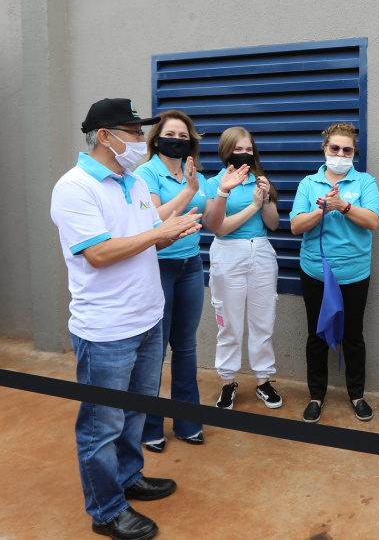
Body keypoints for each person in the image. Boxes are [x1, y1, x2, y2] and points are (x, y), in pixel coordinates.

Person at [50, 98, 202, 539]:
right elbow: (97, 253)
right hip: (106, 330)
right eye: (134, 132)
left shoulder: (132, 182)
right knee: (102, 424)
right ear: (105, 136)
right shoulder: (74, 187)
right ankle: (106, 509)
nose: (141, 140)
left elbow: (142, 236)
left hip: (147, 318)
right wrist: (160, 232)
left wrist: (169, 224)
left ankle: (129, 476)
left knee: (135, 413)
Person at [134, 110, 249, 452]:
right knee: (155, 350)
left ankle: (187, 422)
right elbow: (152, 222)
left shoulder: (192, 171)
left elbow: (213, 224)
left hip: (190, 265)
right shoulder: (145, 174)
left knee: (185, 346)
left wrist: (224, 192)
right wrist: (189, 190)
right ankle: (150, 426)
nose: (179, 141)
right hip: (158, 267)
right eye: (172, 134)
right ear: (156, 139)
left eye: (185, 137)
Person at [290, 123, 379, 423]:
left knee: (353, 336)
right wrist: (322, 210)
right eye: (335, 149)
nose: (341, 154)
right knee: (316, 336)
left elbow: (372, 221)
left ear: (354, 152)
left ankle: (357, 396)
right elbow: (295, 226)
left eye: (347, 150)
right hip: (316, 273)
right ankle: (316, 396)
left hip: (354, 274)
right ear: (325, 149)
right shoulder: (308, 183)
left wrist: (342, 205)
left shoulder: (365, 182)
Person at [206, 127, 283, 410]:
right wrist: (252, 206)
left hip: (261, 251)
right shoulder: (214, 183)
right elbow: (219, 229)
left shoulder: (261, 181)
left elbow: (273, 224)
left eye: (248, 149)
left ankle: (264, 381)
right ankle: (228, 383)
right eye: (238, 149)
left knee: (263, 322)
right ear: (226, 151)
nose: (244, 154)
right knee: (229, 324)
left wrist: (264, 200)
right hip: (229, 254)